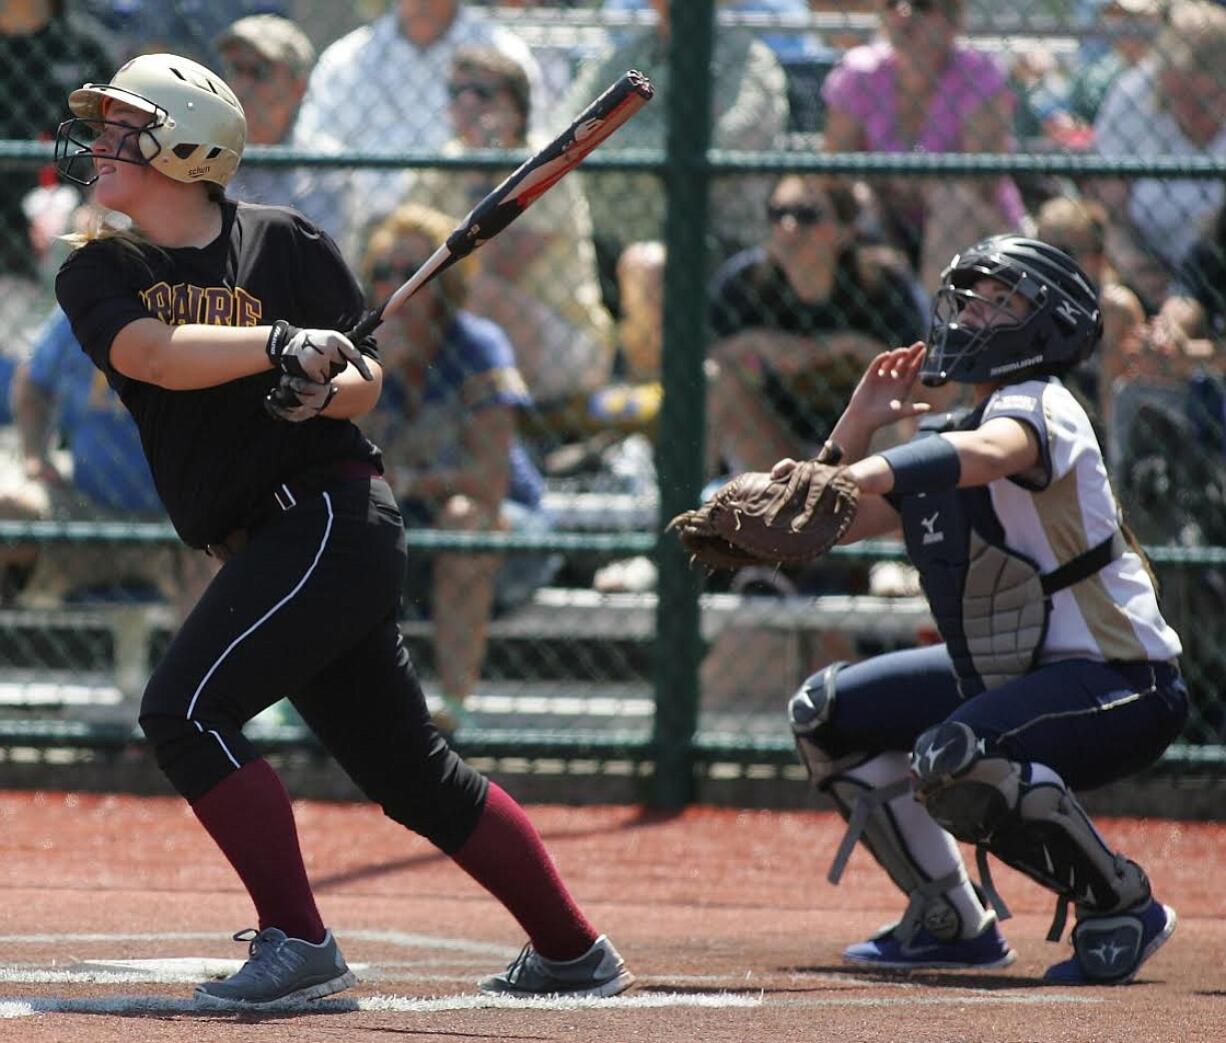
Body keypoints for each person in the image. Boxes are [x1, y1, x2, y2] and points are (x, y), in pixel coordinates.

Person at [52, 51, 632, 1008]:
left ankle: (300, 943)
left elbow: (362, 382)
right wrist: (278, 345)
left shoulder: (285, 243)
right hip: (274, 541)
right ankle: (572, 951)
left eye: (124, 129)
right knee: (412, 773)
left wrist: (323, 385)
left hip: (327, 517)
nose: (100, 146)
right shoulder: (101, 267)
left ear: (187, 147)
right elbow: (149, 355)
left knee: (184, 712)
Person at [779, 234, 1186, 984]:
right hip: (1014, 674)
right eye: (969, 297)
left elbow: (992, 453)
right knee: (826, 711)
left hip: (1124, 680)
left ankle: (1119, 901)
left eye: (1000, 299)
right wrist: (853, 427)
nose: (970, 312)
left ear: (1046, 322)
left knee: (958, 752)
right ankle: (949, 918)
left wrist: (870, 466)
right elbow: (810, 530)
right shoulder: (948, 437)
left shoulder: (1042, 405)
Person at [358, 203, 559, 731]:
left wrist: (413, 481)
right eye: (385, 274)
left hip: (505, 534)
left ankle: (455, 706)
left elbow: (490, 482)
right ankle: (311, 699)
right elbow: (344, 455)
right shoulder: (359, 351)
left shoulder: (478, 345)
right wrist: (376, 383)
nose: (397, 287)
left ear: (442, 281)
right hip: (402, 530)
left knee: (465, 515)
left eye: (413, 274)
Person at [405, 46, 614, 406]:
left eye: (482, 93)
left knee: (482, 290)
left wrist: (481, 177)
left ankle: (506, 423)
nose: (467, 104)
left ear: (517, 109)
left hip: (568, 343)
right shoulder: (445, 159)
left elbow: (496, 265)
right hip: (462, 323)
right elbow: (405, 244)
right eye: (457, 93)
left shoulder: (546, 161)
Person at [561, 0, 790, 309]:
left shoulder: (749, 59)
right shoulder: (624, 57)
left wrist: (622, 137)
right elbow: (570, 130)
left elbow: (728, 140)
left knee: (650, 269)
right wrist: (666, 143)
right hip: (612, 237)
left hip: (718, 241)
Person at [707, 173, 927, 476]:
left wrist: (857, 349)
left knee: (896, 400)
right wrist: (756, 343)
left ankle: (887, 511)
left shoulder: (882, 285)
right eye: (777, 213)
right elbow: (704, 360)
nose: (788, 226)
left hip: (863, 449)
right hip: (780, 445)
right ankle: (689, 505)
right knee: (717, 378)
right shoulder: (746, 281)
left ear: (844, 230)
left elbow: (931, 389)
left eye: (806, 215)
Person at [0, 307, 210, 614]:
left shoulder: (196, 305)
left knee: (219, 548)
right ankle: (15, 645)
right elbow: (32, 384)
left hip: (177, 525)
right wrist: (35, 458)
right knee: (7, 508)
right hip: (86, 510)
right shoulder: (86, 301)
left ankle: (195, 660)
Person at [820, 0, 1026, 289]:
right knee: (857, 197)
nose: (904, 13)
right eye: (893, 3)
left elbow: (981, 180)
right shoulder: (860, 73)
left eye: (923, 5)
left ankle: (934, 321)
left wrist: (914, 183)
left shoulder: (978, 73)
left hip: (973, 223)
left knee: (951, 200)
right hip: (887, 211)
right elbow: (832, 171)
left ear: (952, 21)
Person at [293, 0, 545, 226]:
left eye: (479, 93)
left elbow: (534, 143)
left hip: (470, 232)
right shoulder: (345, 60)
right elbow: (315, 150)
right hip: (361, 231)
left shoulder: (506, 52)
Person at [1092, 0, 1226, 311]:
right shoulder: (1132, 96)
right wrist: (1131, 262)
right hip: (1148, 273)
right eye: (1177, 96)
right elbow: (1110, 215)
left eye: (1206, 99)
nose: (1187, 111)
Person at [215, 13, 355, 259]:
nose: (242, 85)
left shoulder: (327, 169)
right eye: (236, 69)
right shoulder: (201, 148)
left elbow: (325, 264)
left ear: (298, 87)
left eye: (258, 72)